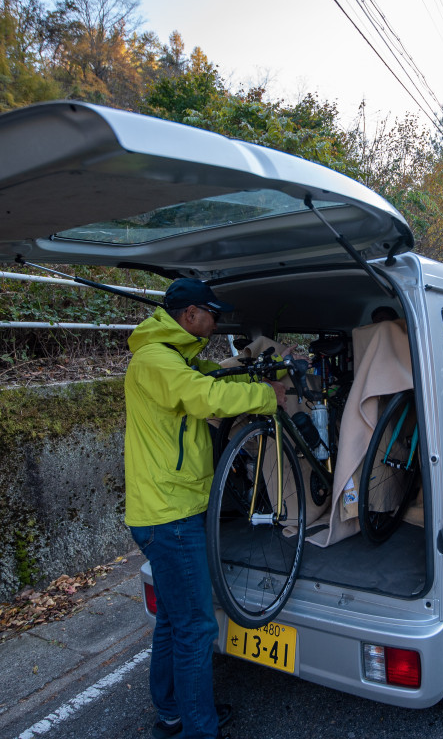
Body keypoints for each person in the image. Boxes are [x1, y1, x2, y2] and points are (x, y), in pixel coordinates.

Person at [125, 278, 287, 739]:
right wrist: (264, 397)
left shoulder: (172, 356)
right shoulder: (156, 360)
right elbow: (205, 397)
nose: (217, 323)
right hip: (169, 515)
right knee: (196, 627)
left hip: (168, 507)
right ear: (191, 315)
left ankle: (173, 710)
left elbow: (203, 384)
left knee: (174, 620)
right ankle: (200, 729)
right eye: (212, 314)